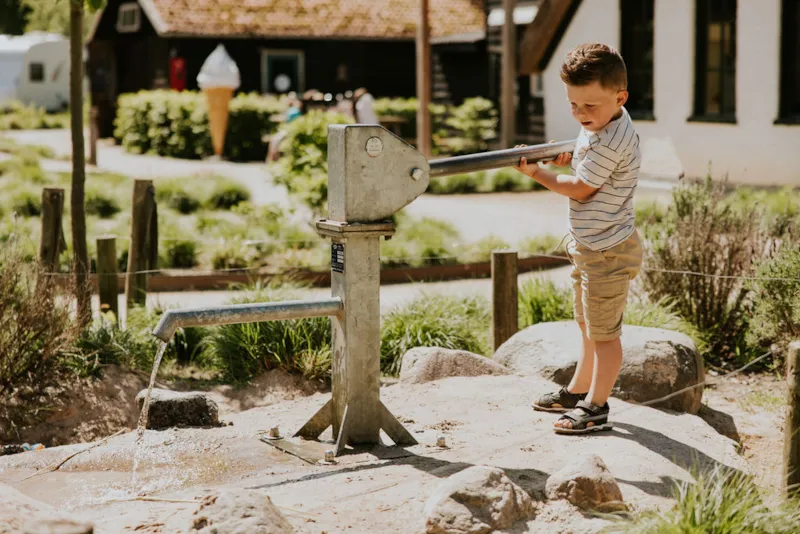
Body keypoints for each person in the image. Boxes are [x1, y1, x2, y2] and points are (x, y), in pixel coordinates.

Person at [513, 43, 643, 435]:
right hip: (590, 245)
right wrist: (571, 155)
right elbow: (588, 157)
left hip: (607, 250)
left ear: (619, 97)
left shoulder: (611, 138)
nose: (581, 114)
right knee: (587, 326)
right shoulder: (604, 123)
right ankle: (578, 391)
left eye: (589, 106)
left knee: (605, 334)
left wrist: (539, 174)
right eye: (573, 105)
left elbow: (583, 189)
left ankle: (597, 406)